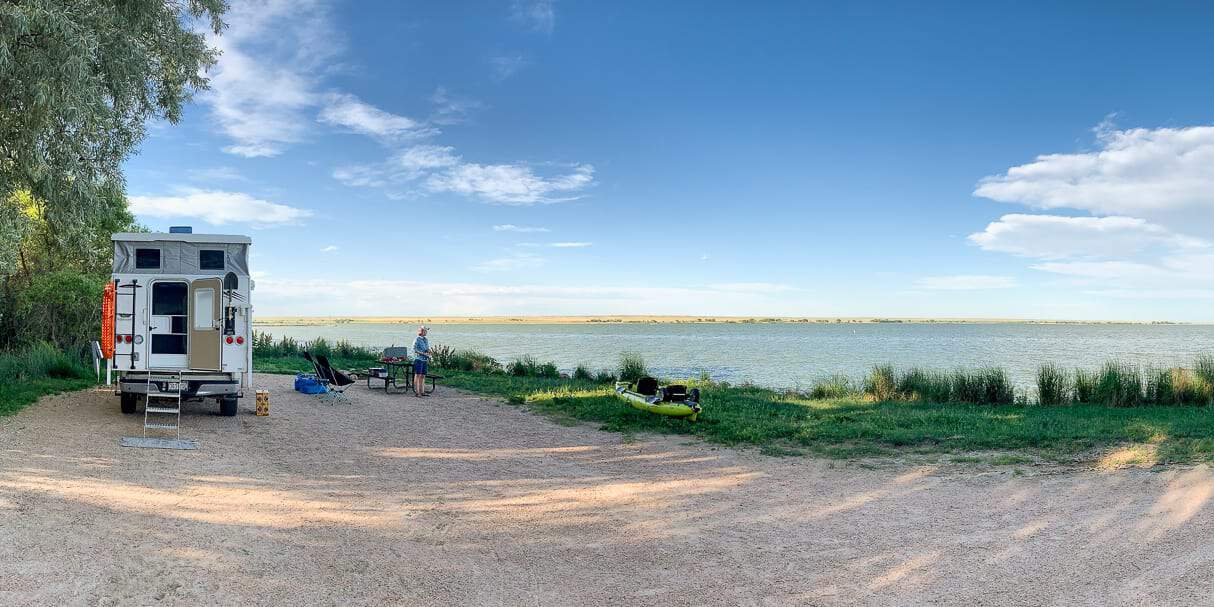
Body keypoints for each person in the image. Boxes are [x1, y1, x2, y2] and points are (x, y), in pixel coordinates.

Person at [412, 326, 430, 396]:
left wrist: (428, 351)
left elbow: (427, 348)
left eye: (426, 331)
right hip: (418, 359)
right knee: (418, 375)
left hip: (425, 359)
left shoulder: (426, 339)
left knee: (423, 375)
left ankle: (422, 391)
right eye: (425, 331)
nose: (426, 332)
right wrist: (422, 353)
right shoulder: (417, 339)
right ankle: (417, 392)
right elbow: (414, 349)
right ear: (421, 331)